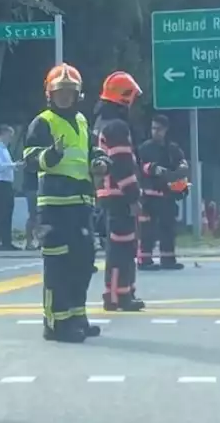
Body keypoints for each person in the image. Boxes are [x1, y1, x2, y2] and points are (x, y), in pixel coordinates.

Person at [23, 63, 101, 343]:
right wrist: (51, 155)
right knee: (58, 265)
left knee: (83, 261)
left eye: (70, 92)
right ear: (50, 95)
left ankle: (77, 316)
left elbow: (92, 149)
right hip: (55, 204)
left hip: (81, 202)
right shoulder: (43, 122)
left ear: (78, 94)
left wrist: (100, 160)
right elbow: (30, 159)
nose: (65, 97)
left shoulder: (81, 120)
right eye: (60, 92)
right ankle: (56, 323)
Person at [91, 71, 147, 312]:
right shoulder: (116, 126)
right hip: (118, 195)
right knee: (121, 246)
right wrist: (134, 196)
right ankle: (116, 295)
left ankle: (121, 292)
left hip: (108, 194)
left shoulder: (102, 123)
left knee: (121, 245)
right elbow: (122, 164)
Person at [136, 114, 189, 270]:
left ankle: (168, 260)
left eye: (158, 129)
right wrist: (153, 169)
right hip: (149, 197)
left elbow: (182, 162)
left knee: (168, 229)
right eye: (153, 128)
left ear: (165, 130)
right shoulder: (145, 148)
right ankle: (144, 261)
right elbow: (140, 166)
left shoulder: (172, 149)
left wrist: (182, 168)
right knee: (147, 231)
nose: (155, 132)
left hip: (167, 196)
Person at [0, 125, 22, 251]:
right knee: (0, 213)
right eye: (9, 135)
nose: (11, 139)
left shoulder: (4, 149)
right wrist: (13, 165)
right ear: (3, 134)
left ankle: (6, 241)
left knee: (8, 212)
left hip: (6, 183)